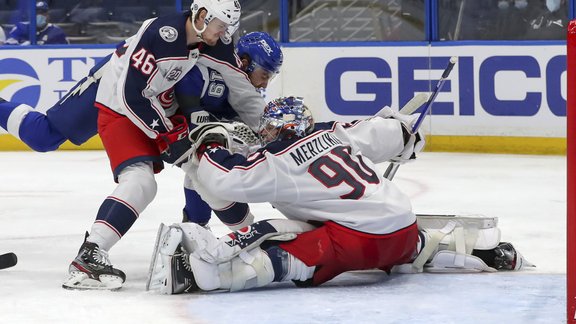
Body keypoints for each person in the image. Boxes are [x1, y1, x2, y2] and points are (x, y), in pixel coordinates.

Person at [146, 96, 533, 294]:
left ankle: (212, 275)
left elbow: (226, 182)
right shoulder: (337, 133)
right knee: (412, 246)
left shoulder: (278, 163)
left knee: (282, 254)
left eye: (267, 130)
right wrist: (408, 139)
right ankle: (483, 253)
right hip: (402, 225)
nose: (262, 135)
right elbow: (394, 132)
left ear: (280, 130)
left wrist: (207, 147)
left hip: (358, 241)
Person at [59, 0, 242, 291]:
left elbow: (238, 83)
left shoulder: (207, 40)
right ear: (203, 17)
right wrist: (165, 134)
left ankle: (247, 236)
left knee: (203, 169)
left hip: (157, 111)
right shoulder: (163, 33)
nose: (223, 34)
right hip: (121, 110)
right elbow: (132, 94)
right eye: (220, 27)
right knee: (141, 182)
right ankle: (89, 254)